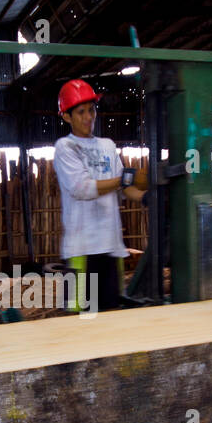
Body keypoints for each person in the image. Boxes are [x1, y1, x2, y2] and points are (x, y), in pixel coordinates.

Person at [53, 79, 145, 313]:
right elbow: (82, 188)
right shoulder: (65, 147)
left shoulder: (107, 145)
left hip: (110, 246)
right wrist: (126, 179)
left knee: (110, 319)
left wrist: (146, 197)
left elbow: (125, 188)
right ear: (66, 117)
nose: (88, 117)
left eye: (91, 110)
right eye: (81, 112)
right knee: (78, 322)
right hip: (81, 250)